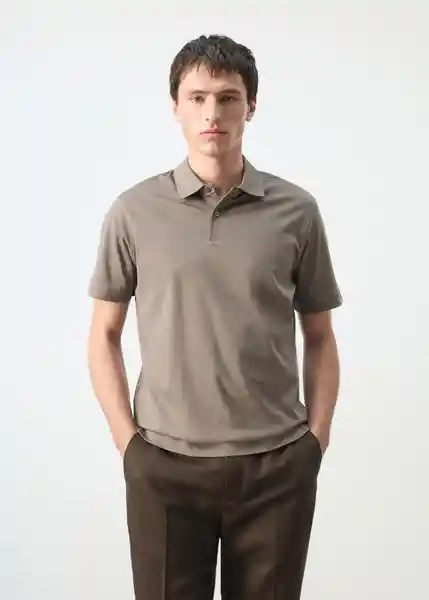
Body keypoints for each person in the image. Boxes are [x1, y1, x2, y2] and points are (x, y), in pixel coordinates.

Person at [87, 33, 343, 600]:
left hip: (276, 466)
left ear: (250, 106)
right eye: (197, 97)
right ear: (175, 106)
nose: (212, 114)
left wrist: (315, 442)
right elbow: (103, 335)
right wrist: (130, 445)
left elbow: (320, 336)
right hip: (164, 464)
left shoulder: (297, 211)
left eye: (228, 98)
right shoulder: (133, 212)